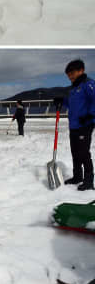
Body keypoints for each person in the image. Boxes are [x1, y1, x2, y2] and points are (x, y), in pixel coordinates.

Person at [54, 59, 95, 191]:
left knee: (83, 153)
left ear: (81, 70)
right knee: (75, 152)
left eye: (72, 73)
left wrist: (90, 115)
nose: (70, 77)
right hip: (74, 126)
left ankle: (89, 181)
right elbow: (72, 105)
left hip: (85, 124)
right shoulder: (74, 89)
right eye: (68, 75)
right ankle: (78, 176)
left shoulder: (88, 85)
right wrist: (62, 101)